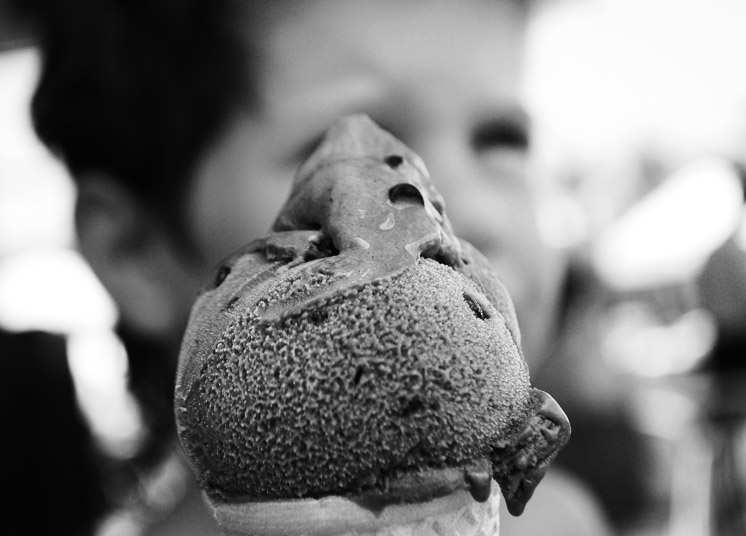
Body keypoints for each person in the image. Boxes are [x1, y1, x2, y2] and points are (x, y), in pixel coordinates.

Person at [21, 0, 611, 533]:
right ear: (135, 248)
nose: (468, 210)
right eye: (339, 156)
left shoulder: (568, 522)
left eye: (500, 138)